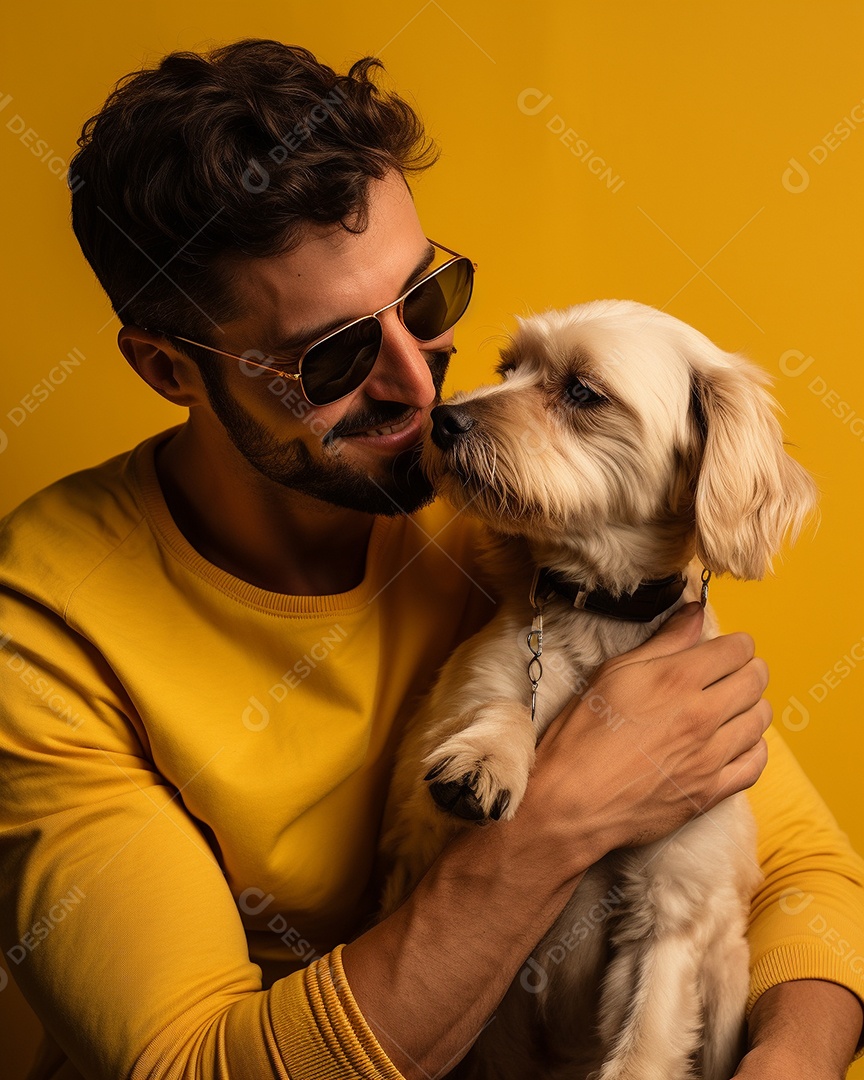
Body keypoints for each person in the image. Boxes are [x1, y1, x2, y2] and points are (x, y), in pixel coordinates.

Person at [0, 38, 861, 1080]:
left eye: (429, 300)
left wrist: (793, 1059)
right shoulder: (42, 629)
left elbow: (802, 874)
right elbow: (192, 1066)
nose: (426, 392)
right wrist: (557, 822)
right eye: (337, 354)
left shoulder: (527, 512)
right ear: (168, 367)